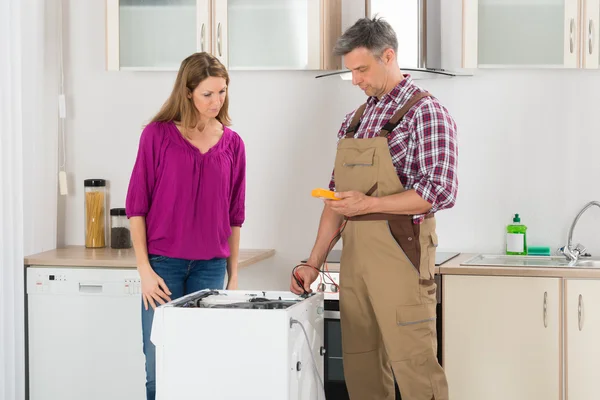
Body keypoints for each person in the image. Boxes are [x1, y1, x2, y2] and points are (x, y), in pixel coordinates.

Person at [290, 17, 458, 400]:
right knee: (362, 366)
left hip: (402, 257)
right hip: (355, 262)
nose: (356, 80)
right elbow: (335, 201)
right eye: (350, 72)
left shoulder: (425, 113)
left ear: (389, 56)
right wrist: (313, 263)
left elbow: (440, 191)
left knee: (416, 370)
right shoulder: (354, 121)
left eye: (362, 69)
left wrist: (370, 203)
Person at [125, 52, 246, 400]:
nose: (216, 101)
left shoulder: (233, 144)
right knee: (159, 369)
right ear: (188, 91)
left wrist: (233, 276)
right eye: (207, 93)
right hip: (163, 269)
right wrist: (144, 270)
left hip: (210, 270)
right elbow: (137, 207)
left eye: (221, 92)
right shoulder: (157, 136)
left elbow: (235, 215)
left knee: (203, 368)